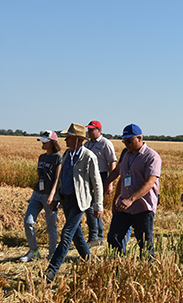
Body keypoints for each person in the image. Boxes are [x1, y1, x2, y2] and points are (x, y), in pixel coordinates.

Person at [44, 123, 103, 282]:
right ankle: (90, 263)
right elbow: (61, 179)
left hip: (79, 203)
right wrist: (56, 199)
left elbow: (97, 183)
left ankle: (51, 272)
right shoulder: (66, 155)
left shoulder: (88, 156)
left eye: (68, 138)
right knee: (77, 237)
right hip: (66, 201)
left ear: (78, 140)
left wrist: (98, 205)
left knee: (66, 234)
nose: (65, 141)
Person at [106, 124, 162, 258]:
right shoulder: (126, 154)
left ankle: (148, 273)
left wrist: (131, 199)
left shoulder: (152, 157)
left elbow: (149, 183)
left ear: (140, 138)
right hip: (124, 207)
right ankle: (117, 270)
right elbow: (118, 171)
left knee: (145, 244)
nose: (126, 144)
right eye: (124, 141)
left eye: (129, 140)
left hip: (143, 207)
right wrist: (105, 183)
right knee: (113, 238)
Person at [21, 131, 62, 263]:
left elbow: (57, 178)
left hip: (49, 196)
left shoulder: (58, 157)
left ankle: (52, 254)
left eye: (45, 141)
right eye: (42, 141)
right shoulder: (41, 157)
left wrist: (52, 196)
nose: (43, 143)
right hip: (37, 194)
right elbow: (40, 177)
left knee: (51, 227)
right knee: (28, 222)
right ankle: (34, 251)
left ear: (52, 142)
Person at [83, 120, 118, 247]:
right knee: (89, 206)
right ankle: (96, 235)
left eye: (92, 129)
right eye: (89, 129)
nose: (89, 132)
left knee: (94, 206)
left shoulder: (105, 144)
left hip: (101, 177)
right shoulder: (87, 144)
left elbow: (112, 162)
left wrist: (110, 182)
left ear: (98, 130)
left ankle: (97, 236)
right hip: (88, 177)